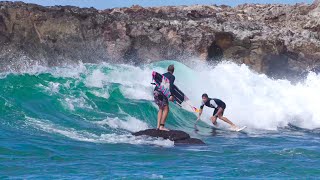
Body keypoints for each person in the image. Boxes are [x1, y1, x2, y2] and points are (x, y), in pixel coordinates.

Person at [153, 65, 175, 131]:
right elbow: (170, 85)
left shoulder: (162, 75)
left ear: (167, 69)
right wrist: (171, 95)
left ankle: (158, 126)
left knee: (160, 108)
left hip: (155, 91)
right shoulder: (172, 76)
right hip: (161, 93)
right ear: (173, 71)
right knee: (166, 109)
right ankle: (162, 126)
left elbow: (158, 82)